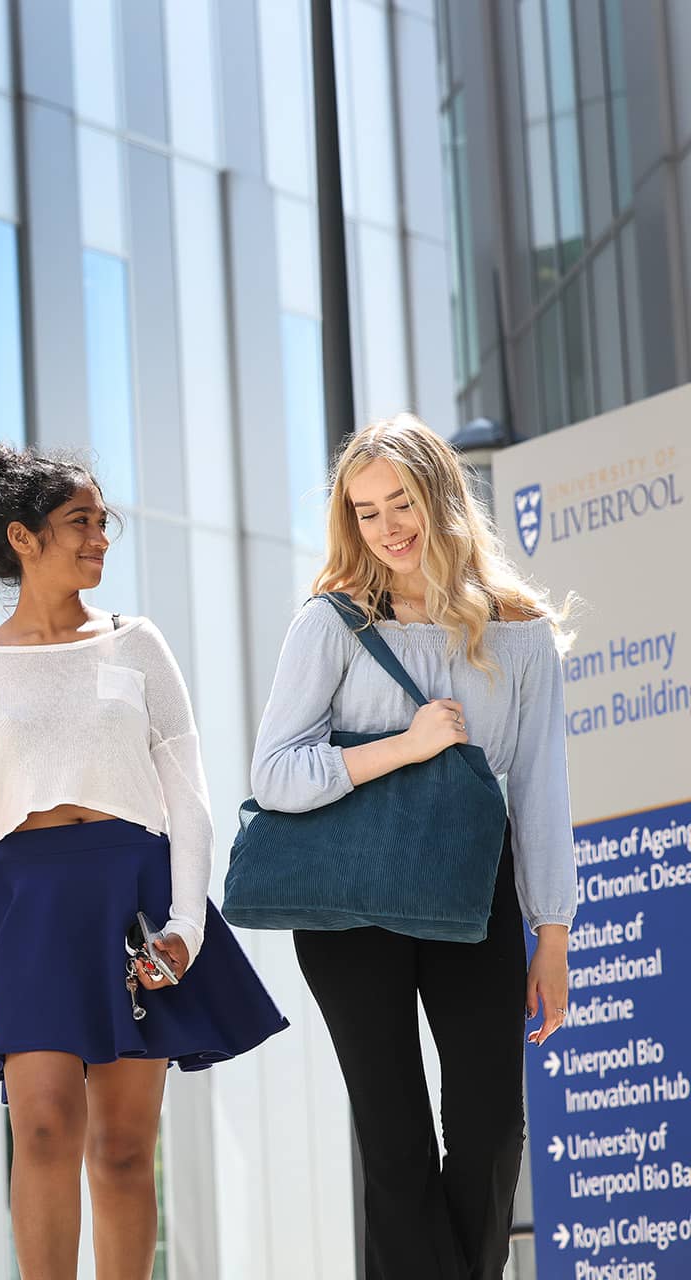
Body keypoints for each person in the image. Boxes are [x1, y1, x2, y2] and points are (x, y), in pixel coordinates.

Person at [0, 442, 286, 1280]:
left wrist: (187, 927)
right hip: (29, 905)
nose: (100, 539)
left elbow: (190, 793)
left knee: (126, 1148)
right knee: (46, 1126)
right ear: (23, 537)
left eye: (104, 522)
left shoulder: (138, 644)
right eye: (80, 523)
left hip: (138, 899)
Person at [250, 413, 573, 1279]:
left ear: (441, 496)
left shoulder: (521, 632)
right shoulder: (332, 622)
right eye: (364, 511)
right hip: (351, 904)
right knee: (394, 1142)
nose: (387, 527)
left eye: (401, 502)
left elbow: (541, 789)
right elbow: (274, 773)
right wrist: (406, 744)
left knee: (492, 1127)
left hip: (473, 893)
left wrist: (551, 934)